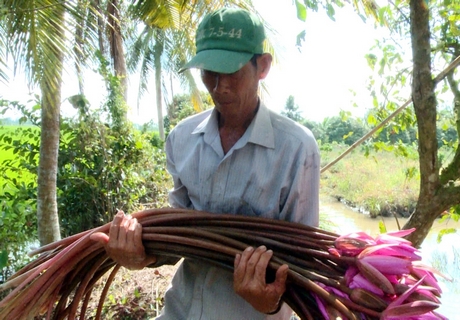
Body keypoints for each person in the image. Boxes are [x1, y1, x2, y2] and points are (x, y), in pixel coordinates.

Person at [92, 7, 320, 319]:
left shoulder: (296, 148)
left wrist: (270, 302)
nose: (219, 86)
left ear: (262, 66)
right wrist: (139, 255)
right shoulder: (182, 138)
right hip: (180, 312)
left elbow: (305, 263)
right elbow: (178, 241)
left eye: (233, 71)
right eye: (210, 72)